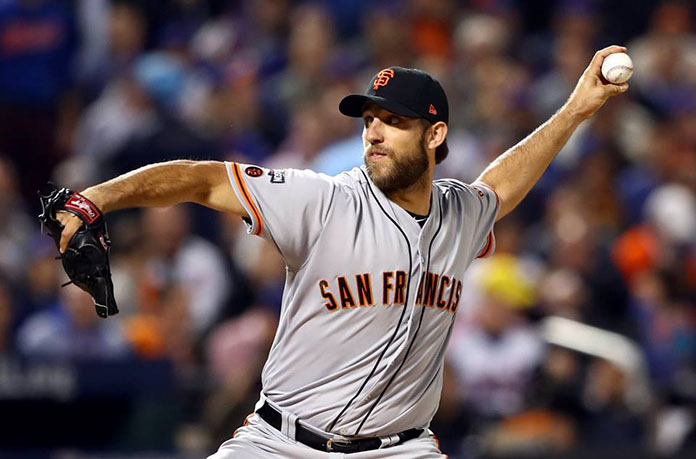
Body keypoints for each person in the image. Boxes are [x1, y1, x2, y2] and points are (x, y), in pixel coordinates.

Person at [56, 46, 630, 458]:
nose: (373, 132)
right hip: (282, 442)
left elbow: (501, 186)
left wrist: (578, 108)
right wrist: (97, 198)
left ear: (434, 137)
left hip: (400, 450)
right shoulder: (321, 200)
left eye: (394, 122)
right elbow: (201, 179)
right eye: (369, 119)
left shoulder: (459, 213)